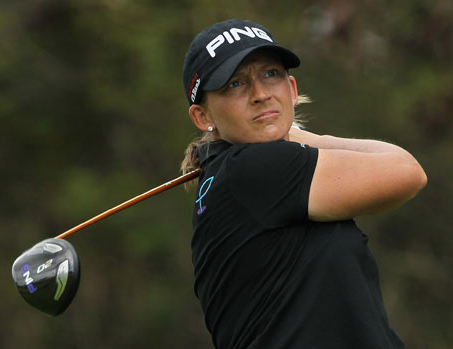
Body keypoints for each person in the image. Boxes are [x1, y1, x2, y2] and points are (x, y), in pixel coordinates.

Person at [180, 18, 427, 349]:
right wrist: (298, 135)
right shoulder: (253, 170)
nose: (260, 94)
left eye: (271, 74)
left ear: (292, 90)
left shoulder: (225, 174)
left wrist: (291, 134)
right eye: (235, 84)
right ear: (202, 117)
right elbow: (407, 171)